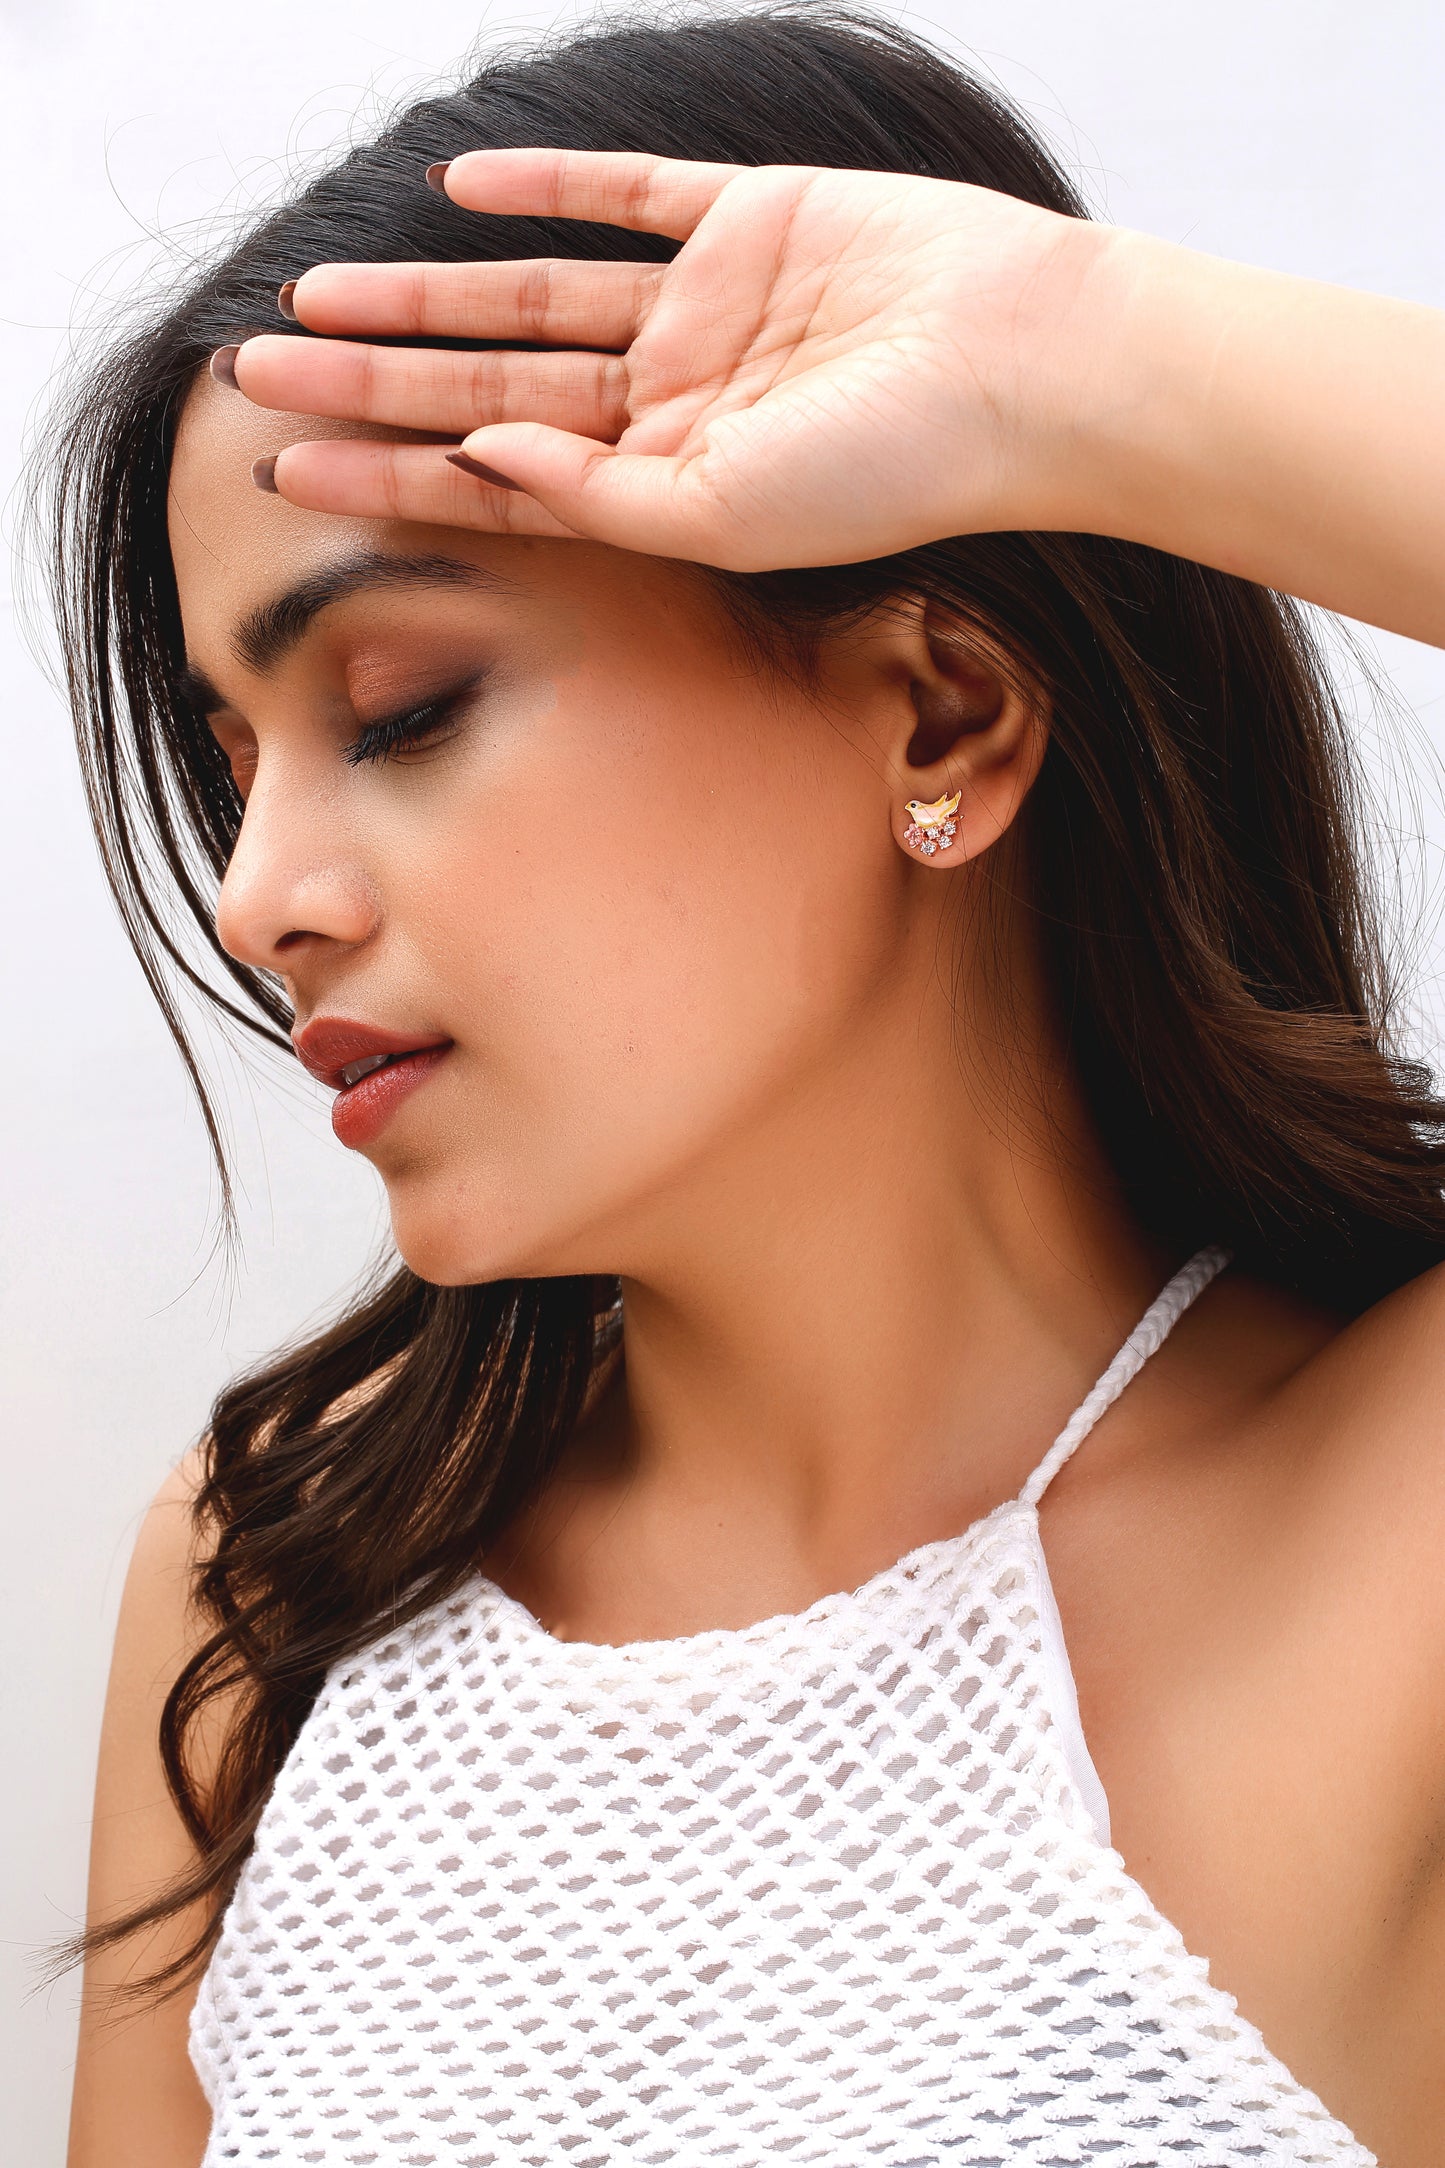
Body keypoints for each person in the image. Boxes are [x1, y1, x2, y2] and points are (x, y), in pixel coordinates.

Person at [54, 6, 1445, 2165]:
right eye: (236, 773)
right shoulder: (280, 1576)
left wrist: (1076, 362)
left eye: (401, 706)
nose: (260, 899)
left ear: (946, 718)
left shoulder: (1386, 1534)